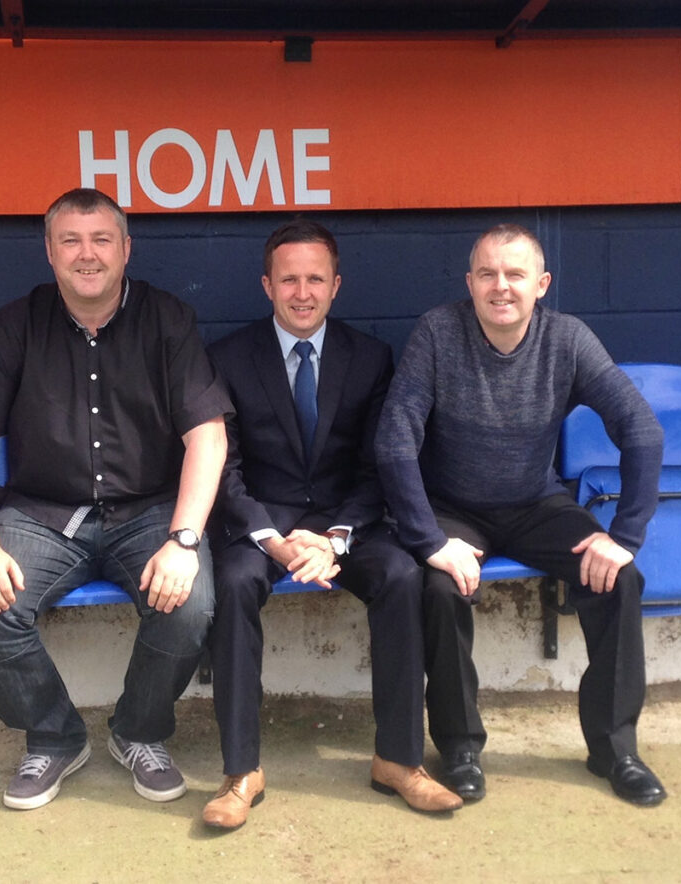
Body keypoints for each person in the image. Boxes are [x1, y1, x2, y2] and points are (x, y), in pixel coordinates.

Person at [0, 187, 230, 811]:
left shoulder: (168, 318)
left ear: (126, 249)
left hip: (149, 511)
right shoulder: (17, 323)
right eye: (71, 240)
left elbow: (208, 436)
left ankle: (139, 732)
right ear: (49, 251)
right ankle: (53, 737)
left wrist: (183, 542)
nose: (87, 254)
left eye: (102, 239)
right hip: (44, 515)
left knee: (190, 601)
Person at [375, 223, 667, 807]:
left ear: (542, 284)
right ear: (470, 282)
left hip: (536, 503)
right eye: (487, 273)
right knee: (439, 586)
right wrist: (429, 539)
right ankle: (459, 748)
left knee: (619, 579)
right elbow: (394, 439)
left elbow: (641, 429)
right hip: (452, 508)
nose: (500, 286)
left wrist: (625, 536)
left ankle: (615, 750)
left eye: (515, 274)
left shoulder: (569, 339)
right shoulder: (438, 331)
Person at [202, 218, 464, 830]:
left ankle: (398, 760)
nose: (302, 292)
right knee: (234, 583)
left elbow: (382, 466)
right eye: (289, 279)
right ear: (267, 285)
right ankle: (241, 771)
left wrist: (336, 537)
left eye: (315, 279)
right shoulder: (227, 358)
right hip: (261, 526)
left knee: (403, 574)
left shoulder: (370, 357)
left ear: (336, 285)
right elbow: (223, 467)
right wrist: (272, 538)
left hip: (344, 525)